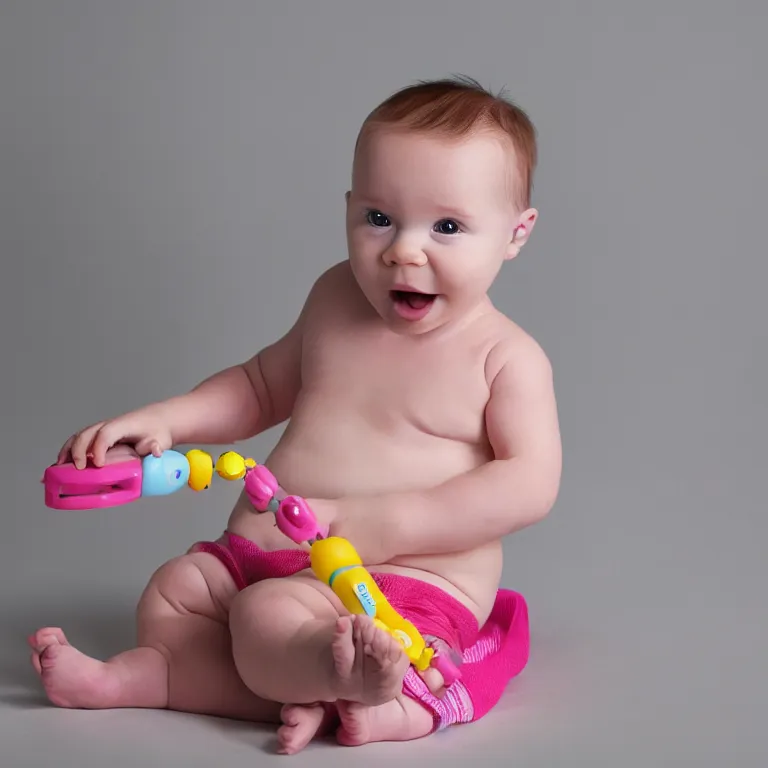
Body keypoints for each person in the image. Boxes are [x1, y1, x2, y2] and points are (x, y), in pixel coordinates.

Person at [29, 76, 562, 754]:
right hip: (269, 551)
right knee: (175, 594)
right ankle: (187, 676)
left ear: (516, 234)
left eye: (447, 227)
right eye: (378, 218)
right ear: (347, 207)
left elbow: (530, 481)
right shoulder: (335, 296)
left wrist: (388, 524)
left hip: (396, 584)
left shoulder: (504, 358)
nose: (403, 249)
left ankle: (353, 673)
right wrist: (168, 419)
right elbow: (258, 387)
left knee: (266, 616)